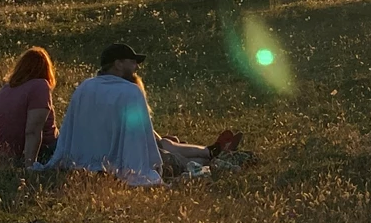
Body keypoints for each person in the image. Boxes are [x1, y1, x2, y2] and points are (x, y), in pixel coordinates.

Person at [36, 43, 240, 186]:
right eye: (132, 62)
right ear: (118, 64)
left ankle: (213, 153)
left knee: (168, 149)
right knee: (170, 159)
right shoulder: (129, 91)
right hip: (123, 162)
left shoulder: (84, 88)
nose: (136, 67)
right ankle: (214, 159)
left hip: (83, 162)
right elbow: (139, 139)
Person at [0, 47, 59, 165]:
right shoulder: (40, 86)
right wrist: (30, 166)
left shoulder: (6, 88)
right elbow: (33, 130)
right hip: (31, 151)